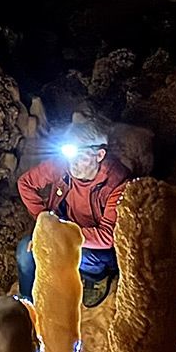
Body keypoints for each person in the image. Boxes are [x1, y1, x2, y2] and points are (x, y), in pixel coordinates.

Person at [15, 118, 127, 306]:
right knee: (24, 252)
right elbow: (25, 184)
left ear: (99, 155)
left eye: (80, 155)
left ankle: (97, 276)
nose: (72, 162)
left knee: (78, 255)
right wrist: (45, 222)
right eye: (69, 154)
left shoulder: (117, 184)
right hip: (65, 227)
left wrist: (59, 235)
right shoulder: (64, 164)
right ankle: (27, 304)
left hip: (97, 247)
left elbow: (107, 236)